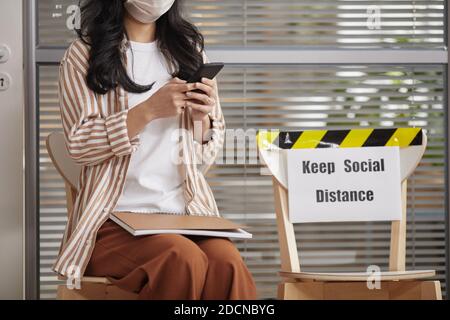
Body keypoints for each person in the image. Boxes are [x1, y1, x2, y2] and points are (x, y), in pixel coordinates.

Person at [53, 0, 257, 300]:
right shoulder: (83, 55)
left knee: (227, 263)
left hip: (185, 214)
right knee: (181, 259)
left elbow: (206, 156)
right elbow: (79, 145)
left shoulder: (188, 51)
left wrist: (202, 119)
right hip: (112, 221)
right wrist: (147, 111)